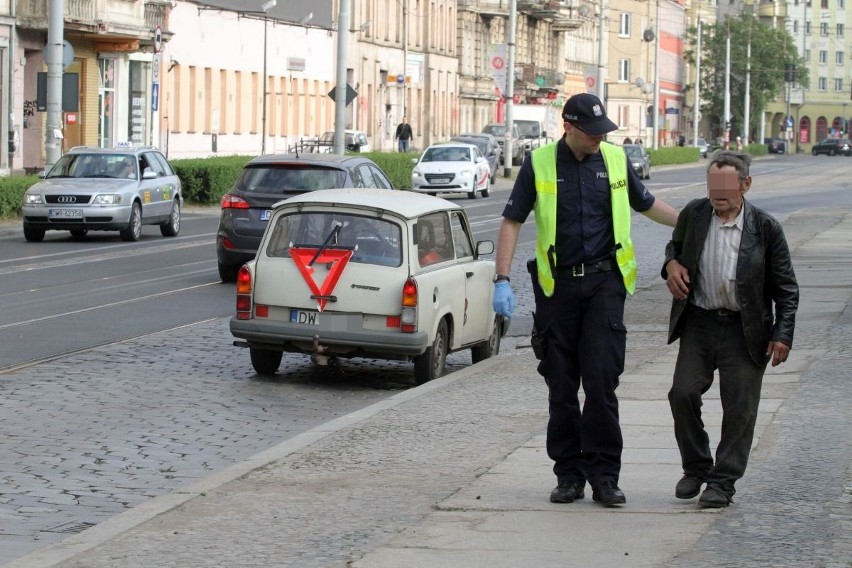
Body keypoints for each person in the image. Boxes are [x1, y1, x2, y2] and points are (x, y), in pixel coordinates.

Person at [492, 93, 680, 507]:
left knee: (600, 382)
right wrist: (501, 278)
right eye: (591, 132)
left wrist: (689, 221)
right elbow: (512, 221)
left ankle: (605, 475)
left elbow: (646, 204)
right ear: (570, 127)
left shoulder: (613, 159)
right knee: (561, 385)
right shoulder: (540, 163)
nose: (599, 138)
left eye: (602, 131)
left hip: (604, 286)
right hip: (556, 290)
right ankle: (569, 475)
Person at [662, 150, 798, 509]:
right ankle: (696, 467)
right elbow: (673, 248)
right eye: (713, 185)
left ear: (745, 185)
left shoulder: (766, 228)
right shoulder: (694, 214)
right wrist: (671, 266)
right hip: (701, 322)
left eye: (726, 186)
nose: (717, 193)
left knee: (740, 408)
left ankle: (723, 482)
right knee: (682, 393)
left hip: (745, 328)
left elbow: (786, 288)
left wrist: (782, 334)